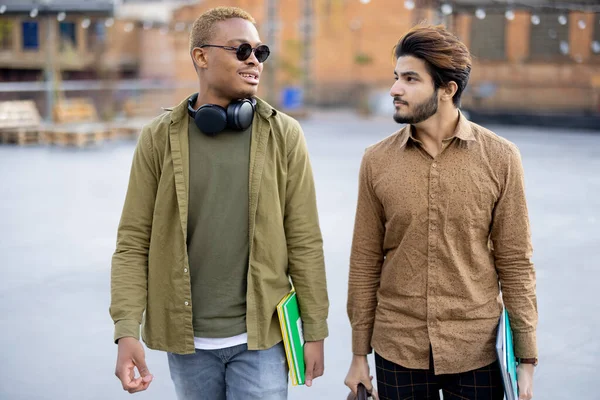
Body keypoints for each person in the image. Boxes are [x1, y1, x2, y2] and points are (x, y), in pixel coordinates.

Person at [110, 7, 329, 400]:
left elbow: (305, 240)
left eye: (260, 52)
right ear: (201, 56)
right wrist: (127, 330)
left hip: (263, 340)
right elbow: (132, 242)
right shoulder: (158, 138)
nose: (253, 60)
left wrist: (314, 329)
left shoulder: (285, 135)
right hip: (188, 344)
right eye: (241, 49)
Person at [344, 24, 537, 400]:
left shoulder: (501, 158)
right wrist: (358, 355)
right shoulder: (376, 161)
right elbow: (365, 260)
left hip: (476, 348)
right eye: (396, 77)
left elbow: (515, 261)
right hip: (397, 346)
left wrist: (525, 360)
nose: (394, 89)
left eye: (410, 79)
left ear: (447, 89)